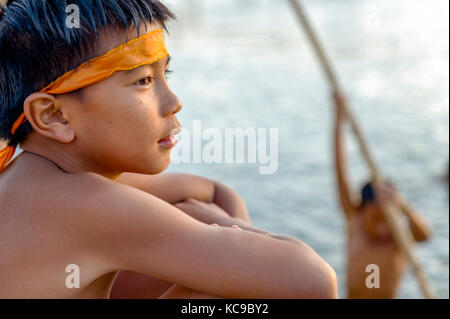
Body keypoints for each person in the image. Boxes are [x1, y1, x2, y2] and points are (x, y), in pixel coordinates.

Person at [0, 0, 337, 299]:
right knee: (233, 286)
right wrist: (219, 229)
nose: (174, 102)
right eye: (143, 81)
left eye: (166, 74)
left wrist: (215, 229)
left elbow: (213, 191)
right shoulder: (87, 204)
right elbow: (313, 282)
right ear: (53, 115)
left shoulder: (28, 178)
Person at [333, 93, 433, 299]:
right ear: (364, 207)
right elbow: (340, 170)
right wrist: (339, 118)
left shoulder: (398, 235)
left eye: (386, 219)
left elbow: (425, 235)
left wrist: (402, 205)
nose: (382, 228)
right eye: (377, 217)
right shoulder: (355, 219)